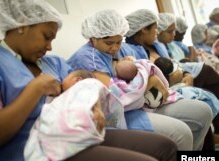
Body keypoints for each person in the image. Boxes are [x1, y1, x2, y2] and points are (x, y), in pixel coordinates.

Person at [0, 0, 178, 161]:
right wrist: (35, 89)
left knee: (166, 147)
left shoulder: (55, 63)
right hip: (32, 149)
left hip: (77, 132)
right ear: (22, 25)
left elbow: (86, 89)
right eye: (46, 36)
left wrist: (94, 107)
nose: (50, 47)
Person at [67, 9, 211, 151]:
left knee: (203, 111)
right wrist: (150, 82)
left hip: (142, 103)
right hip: (119, 114)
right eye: (109, 42)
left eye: (119, 42)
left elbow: (144, 67)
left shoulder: (123, 49)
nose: (115, 48)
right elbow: (114, 96)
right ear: (92, 38)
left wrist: (152, 76)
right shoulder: (86, 57)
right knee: (182, 133)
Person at [124, 9, 213, 150]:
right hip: (154, 97)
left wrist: (185, 74)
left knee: (204, 108)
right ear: (143, 30)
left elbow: (172, 64)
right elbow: (140, 80)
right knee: (197, 111)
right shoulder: (128, 51)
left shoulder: (158, 45)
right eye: (155, 29)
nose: (157, 33)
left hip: (171, 87)